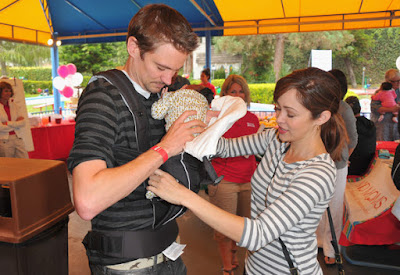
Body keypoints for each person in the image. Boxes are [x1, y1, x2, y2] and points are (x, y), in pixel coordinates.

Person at [147, 67, 348, 275]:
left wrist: (183, 195)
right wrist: (200, 120)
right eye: (278, 109)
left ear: (322, 117)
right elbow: (223, 148)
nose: (279, 119)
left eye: (291, 114)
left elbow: (258, 233)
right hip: (253, 268)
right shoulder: (276, 140)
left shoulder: (317, 173)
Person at [67, 4, 206, 275]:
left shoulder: (161, 91)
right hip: (129, 265)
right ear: (133, 47)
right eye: (160, 67)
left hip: (169, 251)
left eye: (174, 70)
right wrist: (165, 147)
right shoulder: (103, 98)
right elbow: (87, 201)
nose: (168, 79)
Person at [208, 74, 259, 274]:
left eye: (241, 91)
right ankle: (227, 266)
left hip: (249, 180)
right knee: (224, 228)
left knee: (245, 227)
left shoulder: (253, 120)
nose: (238, 95)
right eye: (233, 91)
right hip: (224, 181)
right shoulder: (218, 119)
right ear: (226, 95)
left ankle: (235, 255)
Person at [316, 69, 357, 265]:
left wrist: (344, 157)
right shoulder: (317, 105)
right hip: (315, 164)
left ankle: (332, 251)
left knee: (334, 208)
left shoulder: (344, 109)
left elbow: (353, 139)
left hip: (337, 166)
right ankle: (318, 242)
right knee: (315, 206)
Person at [345, 96, 376, 176]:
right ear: (360, 108)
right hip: (368, 167)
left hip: (351, 168)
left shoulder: (347, 126)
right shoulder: (371, 124)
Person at [0, 81, 28, 158]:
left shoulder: (14, 105)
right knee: (9, 166)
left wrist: (8, 123)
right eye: (6, 91)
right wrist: (16, 123)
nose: (8, 93)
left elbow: (23, 122)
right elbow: (1, 128)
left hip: (17, 137)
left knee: (25, 162)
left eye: (10, 91)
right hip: (4, 140)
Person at [370, 69, 400, 141]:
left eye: (399, 80)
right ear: (388, 81)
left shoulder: (398, 92)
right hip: (382, 127)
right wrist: (392, 109)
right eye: (395, 81)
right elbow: (375, 108)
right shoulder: (379, 92)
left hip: (396, 127)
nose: (398, 83)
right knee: (383, 149)